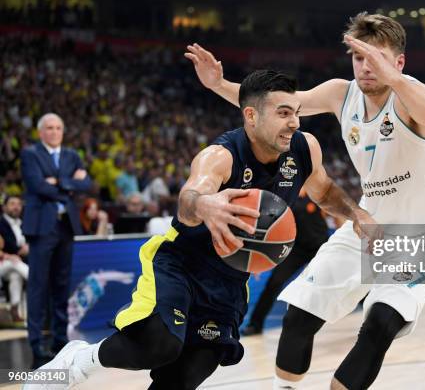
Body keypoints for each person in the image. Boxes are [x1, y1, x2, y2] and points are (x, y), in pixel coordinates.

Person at [31, 70, 375, 390]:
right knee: (160, 343)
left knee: (191, 371)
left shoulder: (304, 148)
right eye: (284, 113)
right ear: (251, 116)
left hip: (228, 281)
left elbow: (324, 189)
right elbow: (190, 195)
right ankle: (79, 360)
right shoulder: (220, 155)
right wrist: (205, 205)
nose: (294, 122)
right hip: (181, 264)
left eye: (296, 112)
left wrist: (355, 212)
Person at [186, 11, 425, 390]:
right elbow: (274, 106)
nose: (365, 66)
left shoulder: (411, 98)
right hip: (367, 225)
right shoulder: (342, 94)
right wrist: (218, 85)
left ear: (399, 62)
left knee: (378, 325)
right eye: (359, 57)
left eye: (376, 57)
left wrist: (391, 76)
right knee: (299, 315)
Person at [20, 113, 92, 368]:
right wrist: (70, 184)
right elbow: (38, 186)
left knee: (62, 285)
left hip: (65, 227)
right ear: (41, 132)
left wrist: (60, 182)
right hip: (40, 228)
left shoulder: (72, 154)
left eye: (58, 128)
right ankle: (36, 342)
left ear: (63, 131)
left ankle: (61, 340)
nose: (54, 132)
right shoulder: (30, 154)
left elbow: (88, 185)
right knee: (38, 286)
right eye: (49, 128)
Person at [242, 188, 329, 336]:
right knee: (274, 282)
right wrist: (256, 260)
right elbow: (265, 226)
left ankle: (368, 304)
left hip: (321, 246)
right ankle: (255, 324)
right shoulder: (284, 197)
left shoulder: (315, 192)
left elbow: (333, 214)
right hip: (296, 249)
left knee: (342, 273)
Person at [0, 195, 29, 323]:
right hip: (3, 261)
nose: (16, 207)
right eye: (12, 204)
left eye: (19, 204)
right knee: (15, 264)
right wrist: (7, 255)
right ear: (4, 207)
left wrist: (28, 247)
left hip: (13, 263)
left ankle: (14, 310)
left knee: (15, 275)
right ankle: (34, 279)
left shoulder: (24, 223)